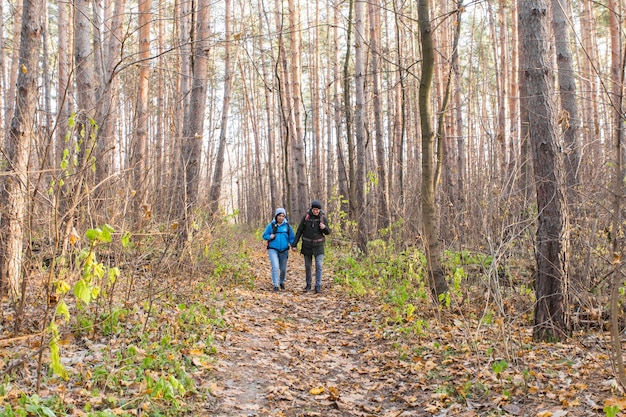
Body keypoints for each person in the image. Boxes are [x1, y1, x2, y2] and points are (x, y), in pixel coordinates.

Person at [292, 200, 330, 293]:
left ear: (319, 210)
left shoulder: (323, 218)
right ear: (311, 209)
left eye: (317, 210)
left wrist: (324, 228)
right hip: (307, 245)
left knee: (319, 265)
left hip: (319, 246)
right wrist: (294, 244)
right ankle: (308, 285)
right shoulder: (306, 217)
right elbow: (299, 230)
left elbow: (328, 232)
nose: (315, 211)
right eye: (314, 209)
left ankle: (318, 286)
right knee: (308, 266)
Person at [263, 208, 295, 292]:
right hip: (273, 249)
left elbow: (291, 237)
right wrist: (270, 237)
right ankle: (276, 285)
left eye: (283, 216)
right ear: (276, 216)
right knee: (275, 267)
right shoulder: (271, 225)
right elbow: (264, 235)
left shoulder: (287, 226)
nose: (281, 217)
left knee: (283, 269)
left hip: (284, 250)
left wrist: (293, 245)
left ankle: (281, 282)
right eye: (279, 216)